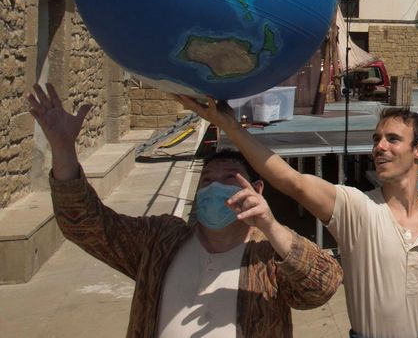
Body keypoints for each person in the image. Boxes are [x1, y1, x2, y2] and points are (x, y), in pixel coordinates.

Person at [29, 83, 342, 338]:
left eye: (229, 178)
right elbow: (85, 225)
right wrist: (63, 150)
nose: (215, 187)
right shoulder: (159, 240)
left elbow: (322, 286)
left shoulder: (269, 255)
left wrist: (272, 226)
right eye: (207, 180)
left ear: (256, 190)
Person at [177, 96, 418, 338]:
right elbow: (292, 181)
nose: (379, 147)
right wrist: (229, 125)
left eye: (393, 139)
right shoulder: (357, 208)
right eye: (377, 139)